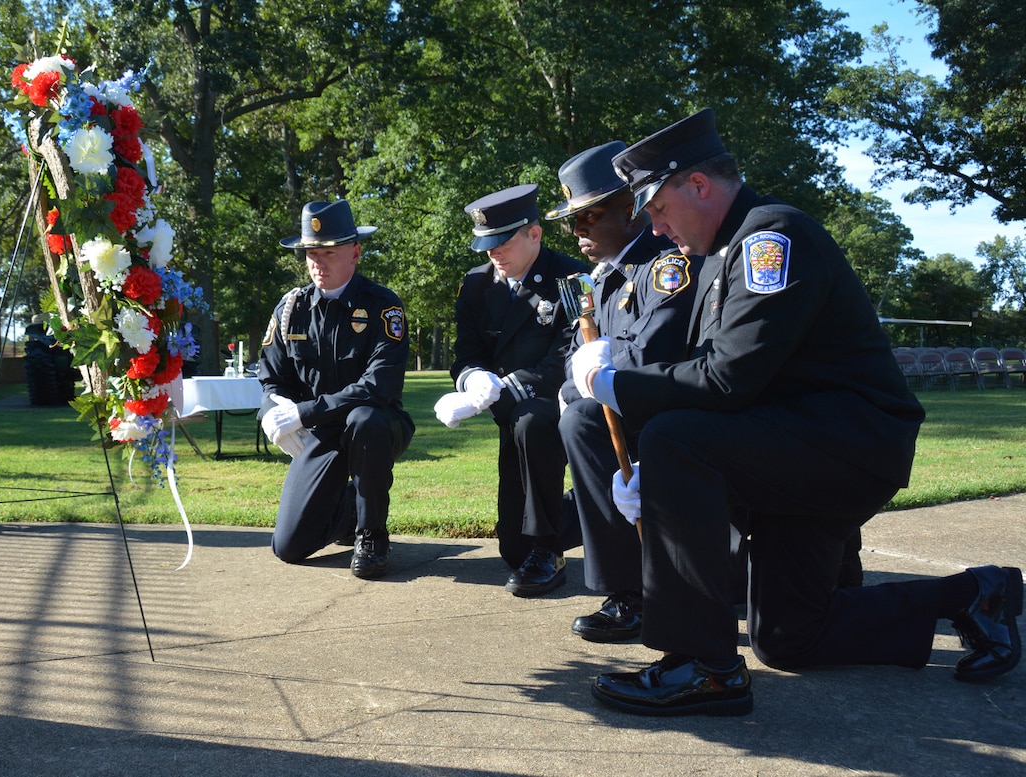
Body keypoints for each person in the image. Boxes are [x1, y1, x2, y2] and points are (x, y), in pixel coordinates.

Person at [571, 109, 1021, 717]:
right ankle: (976, 595)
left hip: (846, 446)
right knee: (788, 637)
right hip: (796, 451)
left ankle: (702, 665)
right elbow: (725, 383)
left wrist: (614, 385)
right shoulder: (723, 253)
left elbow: (729, 380)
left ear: (698, 186)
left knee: (678, 439)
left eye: (656, 207)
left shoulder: (770, 237)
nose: (653, 224)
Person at [545, 141, 700, 641]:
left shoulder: (664, 267)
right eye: (572, 221)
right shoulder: (600, 279)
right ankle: (627, 587)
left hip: (668, 411)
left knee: (584, 419)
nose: (578, 231)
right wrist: (575, 387)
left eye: (589, 217)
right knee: (577, 414)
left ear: (631, 208)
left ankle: (633, 591)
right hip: (627, 409)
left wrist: (592, 383)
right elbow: (578, 353)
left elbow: (660, 350)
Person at [435, 183, 590, 596]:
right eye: (486, 243)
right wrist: (470, 379)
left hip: (556, 403)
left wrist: (501, 386)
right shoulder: (476, 284)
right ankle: (576, 517)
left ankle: (549, 547)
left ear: (534, 233)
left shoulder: (570, 280)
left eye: (503, 241)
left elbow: (566, 358)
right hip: (509, 409)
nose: (493, 252)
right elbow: (466, 353)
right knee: (511, 546)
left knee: (530, 420)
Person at [258, 199, 415, 580]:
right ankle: (350, 508)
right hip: (323, 432)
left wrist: (302, 413)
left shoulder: (382, 307)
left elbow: (379, 387)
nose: (317, 262)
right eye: (311, 252)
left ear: (355, 252)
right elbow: (272, 377)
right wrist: (271, 412)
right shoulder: (291, 309)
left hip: (377, 424)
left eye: (328, 252)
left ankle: (371, 533)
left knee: (365, 420)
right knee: (289, 547)